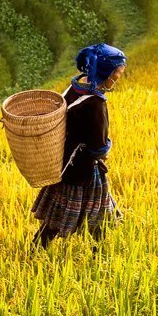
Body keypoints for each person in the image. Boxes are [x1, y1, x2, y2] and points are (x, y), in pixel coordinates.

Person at [33, 43, 127, 246]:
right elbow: (99, 145)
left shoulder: (74, 87)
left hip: (65, 162)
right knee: (97, 213)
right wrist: (105, 152)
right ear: (106, 74)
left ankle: (38, 247)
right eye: (117, 74)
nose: (118, 78)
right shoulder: (95, 104)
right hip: (85, 169)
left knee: (59, 213)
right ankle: (100, 252)